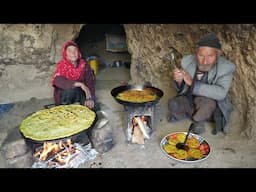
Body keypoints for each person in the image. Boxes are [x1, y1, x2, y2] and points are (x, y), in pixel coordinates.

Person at [168, 32, 236, 135]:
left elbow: (221, 93)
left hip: (209, 102)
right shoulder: (188, 62)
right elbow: (182, 89)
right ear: (196, 53)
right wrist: (179, 81)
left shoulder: (225, 68)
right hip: (190, 99)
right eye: (201, 56)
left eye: (210, 56)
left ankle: (199, 120)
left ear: (218, 54)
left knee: (205, 104)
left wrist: (192, 83)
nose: (205, 61)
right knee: (174, 104)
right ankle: (197, 116)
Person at [51, 41, 96, 109]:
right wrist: (80, 84)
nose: (73, 53)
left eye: (75, 50)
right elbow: (57, 81)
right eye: (69, 51)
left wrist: (90, 98)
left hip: (79, 94)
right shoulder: (62, 66)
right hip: (65, 98)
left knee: (92, 107)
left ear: (78, 53)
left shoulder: (84, 65)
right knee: (69, 91)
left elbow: (90, 83)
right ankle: (64, 111)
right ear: (65, 54)